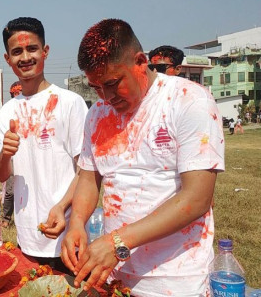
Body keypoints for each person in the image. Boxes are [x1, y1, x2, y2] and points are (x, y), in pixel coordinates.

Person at [60, 19, 225, 295]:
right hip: (114, 273)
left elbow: (197, 199)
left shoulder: (188, 101)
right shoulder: (97, 114)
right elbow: (89, 177)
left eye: (113, 83)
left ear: (140, 61)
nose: (106, 96)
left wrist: (116, 242)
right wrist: (76, 222)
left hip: (174, 279)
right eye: (96, 87)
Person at [0, 17, 88, 273]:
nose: (25, 57)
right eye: (17, 52)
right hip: (27, 236)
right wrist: (4, 153)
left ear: (45, 51)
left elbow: (86, 171)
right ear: (8, 59)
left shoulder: (70, 102)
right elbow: (1, 174)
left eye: (31, 48)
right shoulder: (7, 111)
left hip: (67, 235)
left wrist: (61, 206)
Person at [1, 81, 23, 228]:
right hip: (13, 157)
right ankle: (6, 218)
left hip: (31, 160)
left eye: (19, 92)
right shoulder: (7, 112)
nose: (18, 96)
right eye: (15, 94)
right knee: (10, 190)